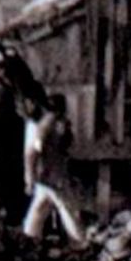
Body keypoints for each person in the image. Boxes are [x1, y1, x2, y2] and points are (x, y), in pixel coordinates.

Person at [21, 92, 84, 242]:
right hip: (52, 175)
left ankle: (28, 236)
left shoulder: (53, 124)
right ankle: (79, 239)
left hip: (49, 173)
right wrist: (30, 174)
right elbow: (35, 149)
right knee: (66, 208)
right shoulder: (47, 125)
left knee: (40, 207)